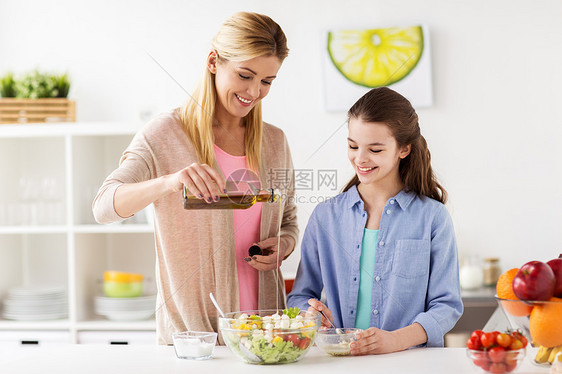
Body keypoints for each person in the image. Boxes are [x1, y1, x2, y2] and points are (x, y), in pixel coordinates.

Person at [93, 12, 298, 345]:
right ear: (214, 62)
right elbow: (103, 208)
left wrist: (284, 246)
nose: (254, 91)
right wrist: (170, 182)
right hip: (193, 341)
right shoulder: (164, 134)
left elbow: (287, 220)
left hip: (266, 337)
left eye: (266, 81)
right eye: (245, 75)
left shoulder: (274, 142)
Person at [287, 87, 463, 354]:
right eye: (352, 146)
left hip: (410, 363)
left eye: (375, 149)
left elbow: (447, 306)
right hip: (341, 361)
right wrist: (311, 316)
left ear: (404, 149)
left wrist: (395, 340)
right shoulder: (326, 216)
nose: (360, 158)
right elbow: (300, 297)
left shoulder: (432, 218)